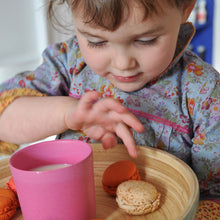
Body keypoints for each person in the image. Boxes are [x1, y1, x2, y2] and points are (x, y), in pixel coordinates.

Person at [0, 0, 219, 202]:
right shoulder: (70, 63)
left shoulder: (205, 92)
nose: (123, 63)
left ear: (186, 8)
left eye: (146, 40)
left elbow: (212, 196)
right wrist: (66, 113)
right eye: (97, 42)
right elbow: (4, 118)